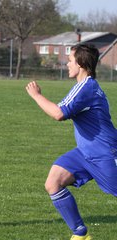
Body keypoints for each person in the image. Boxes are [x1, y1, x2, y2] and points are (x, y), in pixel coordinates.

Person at [26, 43, 117, 240]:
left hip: (105, 154)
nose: (67, 64)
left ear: (81, 63)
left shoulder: (87, 87)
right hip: (85, 153)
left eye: (70, 61)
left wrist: (36, 96)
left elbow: (59, 114)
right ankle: (80, 234)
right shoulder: (83, 87)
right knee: (54, 182)